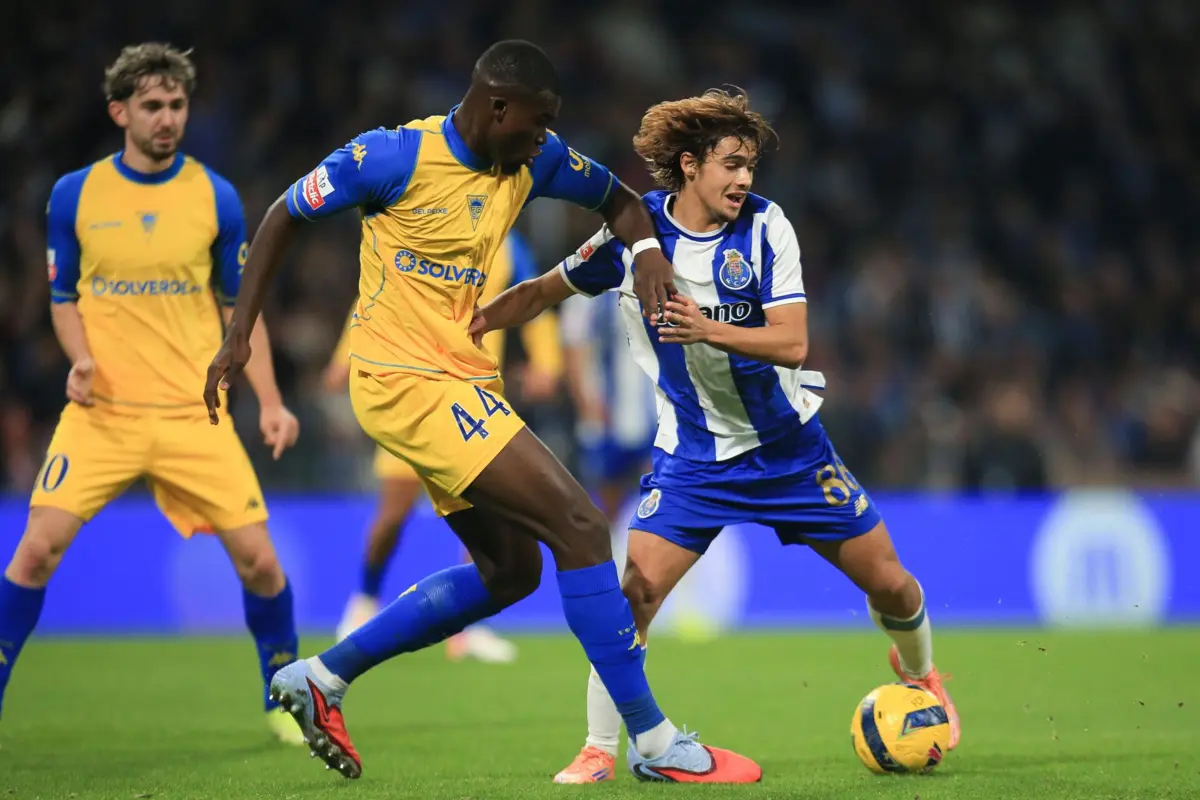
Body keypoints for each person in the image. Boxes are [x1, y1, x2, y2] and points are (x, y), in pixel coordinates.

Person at [203, 40, 761, 784]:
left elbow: (621, 203)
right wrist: (239, 332)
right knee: (583, 525)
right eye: (534, 126)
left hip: (462, 378)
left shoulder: (533, 161)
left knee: (509, 571)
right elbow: (281, 215)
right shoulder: (389, 158)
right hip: (405, 381)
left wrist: (648, 251)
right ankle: (654, 744)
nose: (542, 142)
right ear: (496, 108)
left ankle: (322, 678)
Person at [471, 87, 962, 784]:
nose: (744, 180)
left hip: (789, 451)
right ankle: (597, 749)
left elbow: (793, 344)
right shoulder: (637, 241)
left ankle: (924, 679)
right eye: (732, 164)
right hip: (694, 461)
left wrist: (706, 328)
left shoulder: (768, 228)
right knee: (634, 592)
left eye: (751, 167)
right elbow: (545, 290)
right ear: (691, 164)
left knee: (894, 587)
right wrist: (475, 322)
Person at [0, 43, 304, 745]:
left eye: (177, 105)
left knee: (260, 561)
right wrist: (78, 359)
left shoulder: (216, 196)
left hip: (192, 414)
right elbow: (62, 296)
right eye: (152, 106)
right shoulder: (74, 195)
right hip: (100, 413)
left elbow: (238, 311)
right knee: (35, 550)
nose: (168, 119)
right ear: (120, 112)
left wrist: (272, 399)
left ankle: (282, 693)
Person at [328, 229, 562, 664]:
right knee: (392, 515)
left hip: (476, 402)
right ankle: (362, 602)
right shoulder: (425, 226)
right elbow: (375, 295)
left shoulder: (511, 248)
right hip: (413, 395)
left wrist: (548, 364)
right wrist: (344, 358)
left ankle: (467, 629)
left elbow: (538, 300)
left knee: (486, 517)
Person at [560, 290, 656, 523]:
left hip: (651, 417)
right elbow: (573, 348)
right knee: (607, 505)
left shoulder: (656, 282)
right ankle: (610, 554)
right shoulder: (586, 289)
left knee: (659, 496)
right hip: (606, 419)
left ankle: (652, 554)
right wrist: (587, 405)